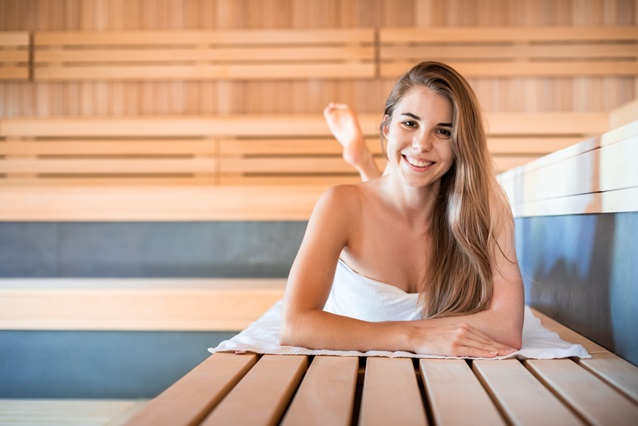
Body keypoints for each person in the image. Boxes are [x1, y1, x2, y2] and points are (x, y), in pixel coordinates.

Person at [280, 61, 524, 358]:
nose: (422, 143)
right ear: (386, 128)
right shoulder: (338, 204)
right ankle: (363, 162)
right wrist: (411, 338)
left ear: (461, 144)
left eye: (444, 132)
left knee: (407, 178)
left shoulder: (487, 210)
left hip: (447, 385)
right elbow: (294, 325)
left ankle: (363, 162)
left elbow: (508, 327)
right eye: (410, 123)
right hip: (353, 380)